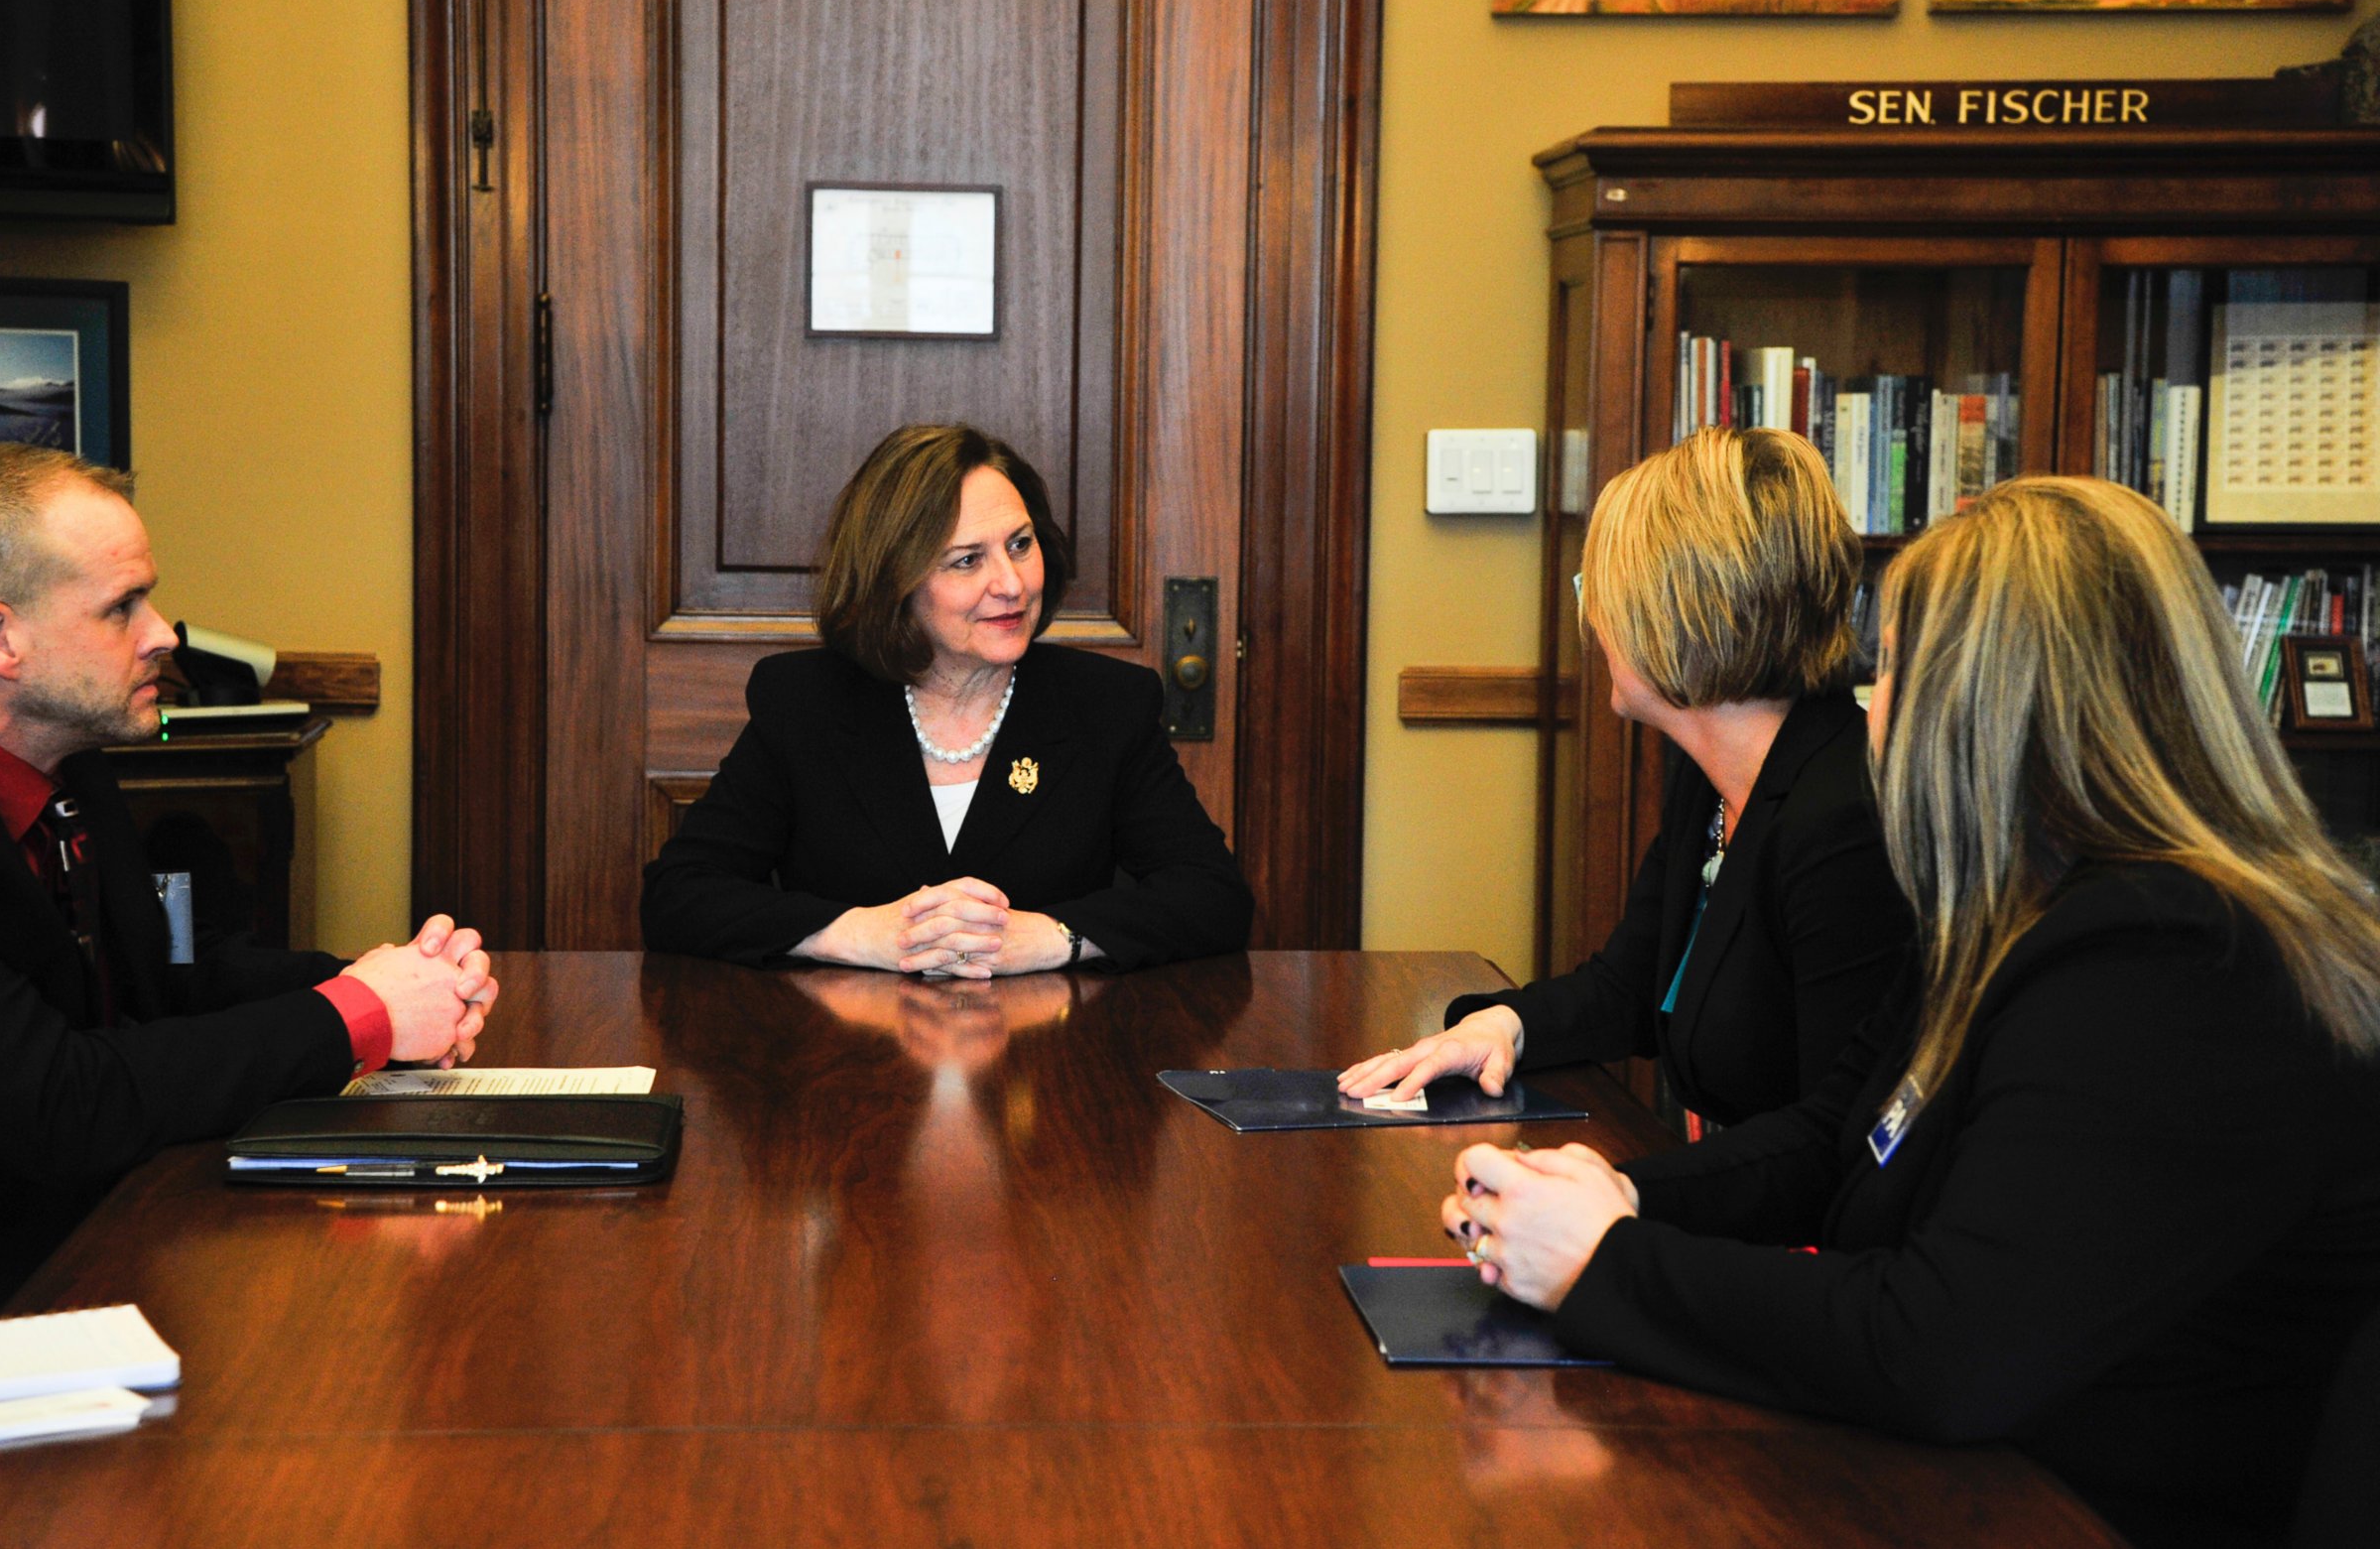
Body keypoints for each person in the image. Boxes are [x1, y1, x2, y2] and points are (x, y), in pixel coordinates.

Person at [1440, 478, 2380, 1549]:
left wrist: (1607, 1262)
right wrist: (1615, 1195)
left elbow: (1944, 1349)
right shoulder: (2024, 904)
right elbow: (1833, 1139)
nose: (1866, 702)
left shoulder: (2172, 961)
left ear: (1991, 704)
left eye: (1890, 669)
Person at [0, 445, 499, 1477]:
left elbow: (161, 989)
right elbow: (55, 1099)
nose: (164, 636)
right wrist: (357, 1015)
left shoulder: (67, 762)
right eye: (122, 607)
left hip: (92, 1276)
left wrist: (387, 979)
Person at [1342, 427, 1910, 1125]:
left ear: (1676, 616)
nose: (1593, 620)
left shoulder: (1843, 820)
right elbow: (1630, 987)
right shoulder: (1711, 780)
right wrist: (1499, 1027)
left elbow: (1835, 1139)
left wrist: (1626, 1201)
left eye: (1600, 590)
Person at [642, 423, 1250, 973]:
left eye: (1019, 544)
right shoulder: (808, 703)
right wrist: (855, 933)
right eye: (966, 561)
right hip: (847, 1061)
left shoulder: (1104, 705)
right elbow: (680, 895)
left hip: (1045, 1067)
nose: (1011, 584)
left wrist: (1053, 937)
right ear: (895, 582)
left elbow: (1213, 896)